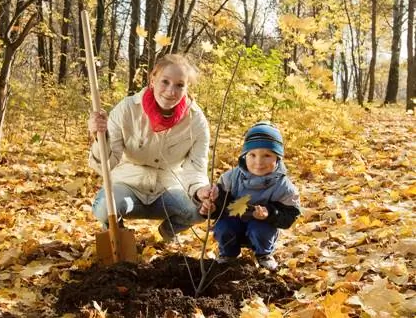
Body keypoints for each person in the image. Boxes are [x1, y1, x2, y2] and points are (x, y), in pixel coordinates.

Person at [88, 54, 215, 242]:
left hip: (167, 189)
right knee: (104, 208)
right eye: (165, 82)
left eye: (180, 85)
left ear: (187, 87)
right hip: (127, 185)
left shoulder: (196, 121)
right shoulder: (127, 109)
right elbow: (105, 166)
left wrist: (199, 191)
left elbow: (195, 168)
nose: (171, 91)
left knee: (199, 211)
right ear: (153, 79)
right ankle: (118, 236)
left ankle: (168, 232)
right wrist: (100, 137)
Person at [197, 121, 300, 270]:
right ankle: (227, 254)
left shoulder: (284, 187)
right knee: (223, 227)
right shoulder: (230, 178)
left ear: (277, 158)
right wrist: (211, 209)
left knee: (260, 230)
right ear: (245, 155)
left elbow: (289, 216)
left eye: (267, 155)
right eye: (252, 155)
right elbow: (220, 206)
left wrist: (270, 214)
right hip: (234, 222)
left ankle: (263, 254)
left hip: (261, 226)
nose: (258, 162)